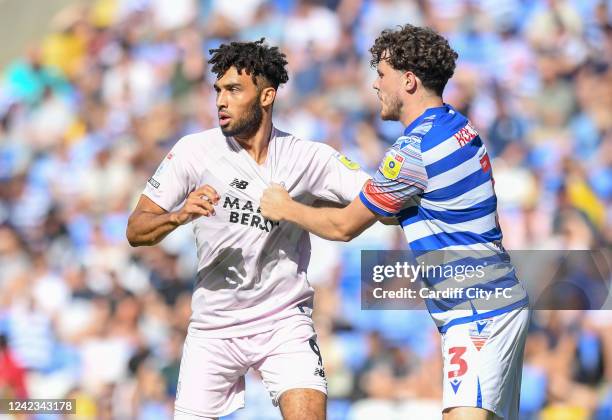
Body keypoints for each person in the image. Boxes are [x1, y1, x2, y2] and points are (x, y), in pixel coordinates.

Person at [260, 25, 530, 420]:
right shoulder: (459, 126)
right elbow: (392, 207)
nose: (375, 85)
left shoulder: (413, 149)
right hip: (497, 299)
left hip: (476, 310)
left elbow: (344, 228)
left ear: (408, 80)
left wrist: (286, 207)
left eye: (382, 74)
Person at [126, 39, 369, 420]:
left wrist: (297, 210)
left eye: (234, 90)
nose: (221, 101)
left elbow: (378, 202)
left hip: (283, 321)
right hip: (213, 328)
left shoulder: (308, 157)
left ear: (267, 96)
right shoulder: (194, 151)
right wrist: (177, 216)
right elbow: (136, 229)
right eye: (218, 91)